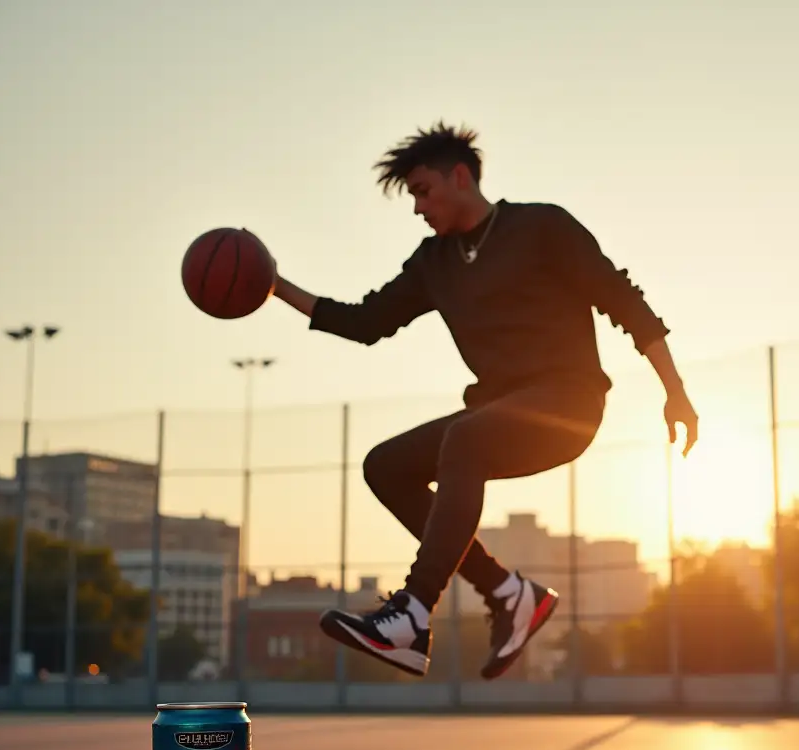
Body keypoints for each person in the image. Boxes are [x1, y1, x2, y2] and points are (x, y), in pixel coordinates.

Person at [269, 122, 698, 680]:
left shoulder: (541, 226)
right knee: (386, 466)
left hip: (568, 407)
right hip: (495, 414)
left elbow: (623, 300)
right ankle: (508, 593)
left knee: (464, 436)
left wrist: (676, 392)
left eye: (423, 191)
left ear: (461, 176)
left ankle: (414, 612)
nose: (418, 208)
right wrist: (274, 286)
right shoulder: (435, 263)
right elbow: (364, 322)